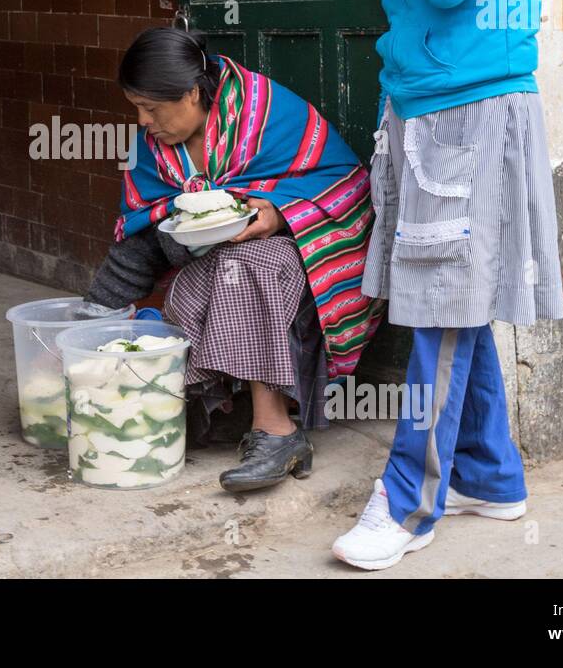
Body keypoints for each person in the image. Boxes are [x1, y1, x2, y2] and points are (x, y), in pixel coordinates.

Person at [331, 0, 563, 571]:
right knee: (452, 297)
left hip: (478, 120)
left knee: (440, 306)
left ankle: (408, 503)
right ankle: (491, 479)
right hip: (425, 119)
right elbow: (415, 13)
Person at [84, 26, 383, 492]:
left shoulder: (265, 112)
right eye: (136, 109)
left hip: (308, 250)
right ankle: (211, 408)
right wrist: (90, 323)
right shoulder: (155, 148)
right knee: (201, 280)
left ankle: (277, 431)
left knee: (248, 265)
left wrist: (279, 213)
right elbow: (142, 234)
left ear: (189, 94)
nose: (143, 122)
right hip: (224, 266)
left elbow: (341, 181)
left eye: (151, 108)